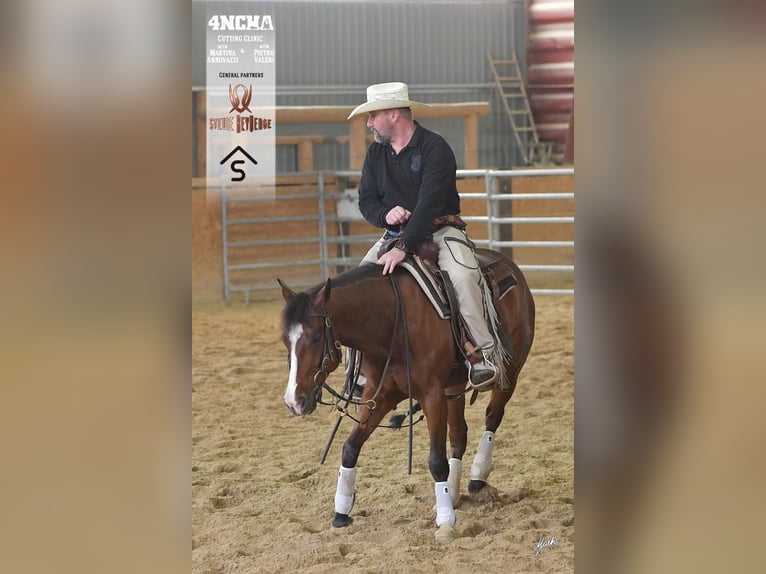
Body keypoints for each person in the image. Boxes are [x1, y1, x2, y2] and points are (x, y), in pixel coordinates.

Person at [347, 82, 500, 389]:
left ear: (393, 114)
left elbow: (429, 204)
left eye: (373, 115)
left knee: (464, 276)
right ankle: (356, 370)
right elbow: (366, 200)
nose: (369, 123)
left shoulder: (435, 148)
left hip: (440, 230)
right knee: (353, 286)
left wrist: (403, 247)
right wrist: (386, 215)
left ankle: (483, 357)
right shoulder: (375, 153)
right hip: (395, 234)